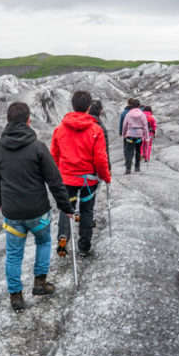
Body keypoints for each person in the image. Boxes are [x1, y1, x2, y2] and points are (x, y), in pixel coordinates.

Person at [0, 101, 73, 312]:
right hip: (38, 212)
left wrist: (0, 202)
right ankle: (40, 283)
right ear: (28, 121)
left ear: (8, 121)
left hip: (12, 213)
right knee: (43, 242)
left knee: (14, 254)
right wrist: (66, 207)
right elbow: (54, 180)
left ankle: (16, 297)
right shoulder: (38, 147)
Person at [51, 89, 112, 259]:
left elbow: (54, 156)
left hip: (66, 178)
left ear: (72, 105)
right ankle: (84, 247)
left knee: (66, 208)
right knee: (86, 211)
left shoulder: (60, 129)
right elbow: (100, 159)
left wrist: (55, 176)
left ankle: (63, 237)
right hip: (88, 181)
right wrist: (105, 176)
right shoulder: (95, 130)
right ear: (88, 107)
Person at [121, 98, 150, 174]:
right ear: (139, 105)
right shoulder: (142, 114)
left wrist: (124, 134)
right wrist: (147, 138)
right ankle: (137, 167)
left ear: (131, 106)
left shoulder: (129, 114)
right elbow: (145, 127)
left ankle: (128, 168)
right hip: (139, 135)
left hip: (130, 134)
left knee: (129, 152)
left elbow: (124, 125)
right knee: (138, 151)